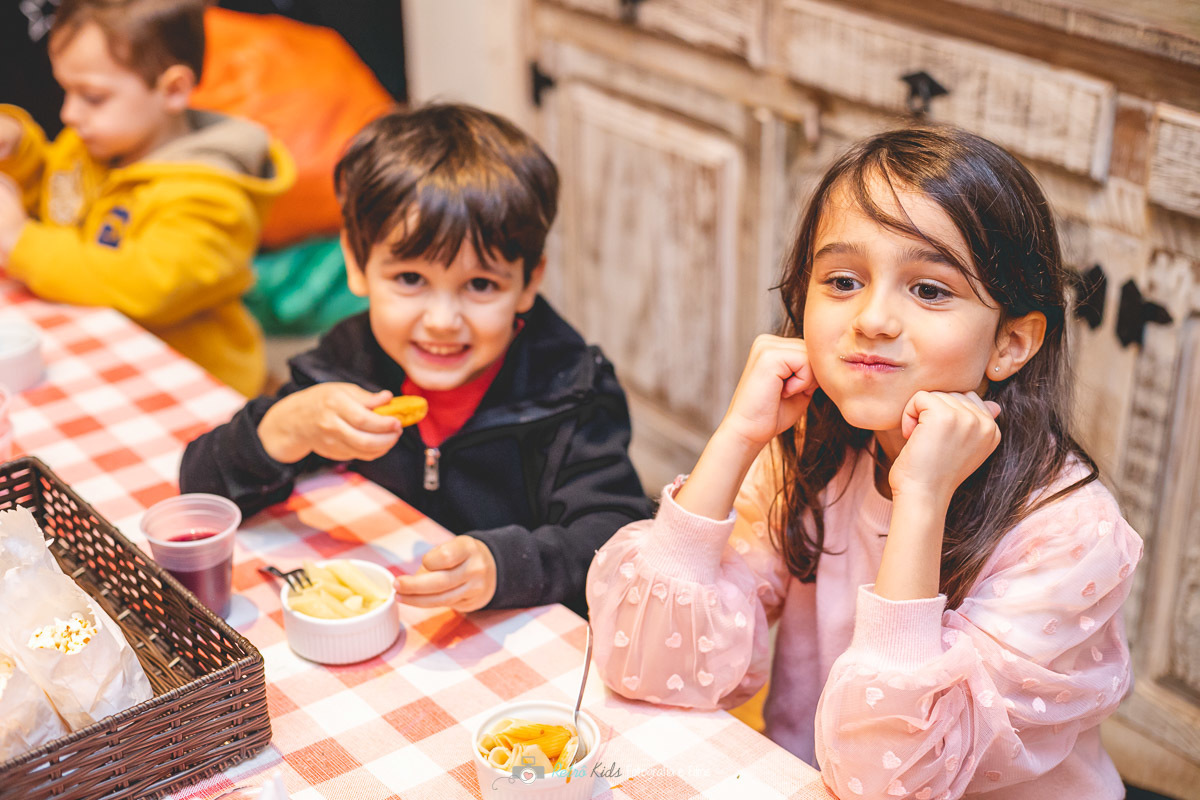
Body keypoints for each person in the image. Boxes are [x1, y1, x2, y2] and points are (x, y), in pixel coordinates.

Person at [586, 127, 1142, 799]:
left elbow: (894, 779)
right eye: (843, 280)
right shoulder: (811, 455)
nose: (873, 318)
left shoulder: (1069, 533)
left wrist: (923, 499)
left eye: (930, 290)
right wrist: (738, 435)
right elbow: (646, 663)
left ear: (1011, 342)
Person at [180, 104, 653, 618]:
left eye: (480, 285)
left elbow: (617, 540)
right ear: (357, 266)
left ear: (528, 282)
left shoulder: (571, 390)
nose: (443, 321)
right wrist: (279, 430)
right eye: (410, 279)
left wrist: (507, 566)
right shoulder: (347, 363)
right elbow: (200, 490)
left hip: (524, 643)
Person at [0, 0, 294, 397]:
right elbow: (56, 197)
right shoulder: (92, 143)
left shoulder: (211, 196)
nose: (68, 113)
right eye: (65, 90)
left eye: (92, 96)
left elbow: (142, 287)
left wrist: (21, 243)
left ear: (172, 89)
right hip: (103, 355)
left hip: (194, 386)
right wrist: (19, 152)